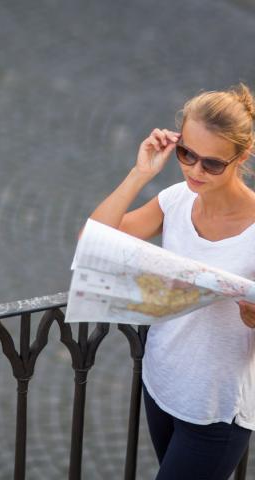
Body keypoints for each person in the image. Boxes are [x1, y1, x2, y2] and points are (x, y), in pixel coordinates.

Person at [84, 83, 255, 480]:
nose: (195, 170)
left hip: (216, 409)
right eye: (187, 154)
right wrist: (140, 173)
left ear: (242, 157)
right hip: (161, 383)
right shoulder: (177, 199)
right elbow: (93, 242)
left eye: (212, 163)